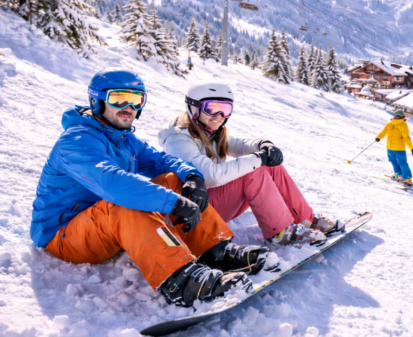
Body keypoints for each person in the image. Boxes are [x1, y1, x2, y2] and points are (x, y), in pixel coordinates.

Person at [31, 69, 277, 308]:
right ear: (97, 101)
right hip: (63, 235)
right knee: (125, 202)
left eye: (136, 100)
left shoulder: (122, 137)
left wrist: (192, 177)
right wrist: (173, 202)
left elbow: (162, 160)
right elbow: (114, 183)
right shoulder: (76, 141)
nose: (129, 107)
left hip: (100, 223)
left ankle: (216, 251)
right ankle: (182, 282)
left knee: (174, 178)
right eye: (119, 99)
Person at [159, 82, 342, 247]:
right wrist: (257, 159)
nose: (220, 116)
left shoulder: (210, 132)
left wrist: (263, 145)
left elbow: (239, 145)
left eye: (226, 109)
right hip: (194, 212)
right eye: (212, 109)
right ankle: (280, 233)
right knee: (253, 171)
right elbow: (211, 175)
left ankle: (305, 219)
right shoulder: (178, 140)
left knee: (269, 165)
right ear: (193, 107)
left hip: (213, 203)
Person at [375, 109, 413, 185]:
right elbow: (406, 138)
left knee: (398, 162)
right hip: (394, 148)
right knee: (397, 162)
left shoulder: (399, 124)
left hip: (394, 147)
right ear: (402, 116)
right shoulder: (393, 124)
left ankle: (406, 177)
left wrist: (378, 137)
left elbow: (406, 137)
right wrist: (378, 137)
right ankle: (400, 175)